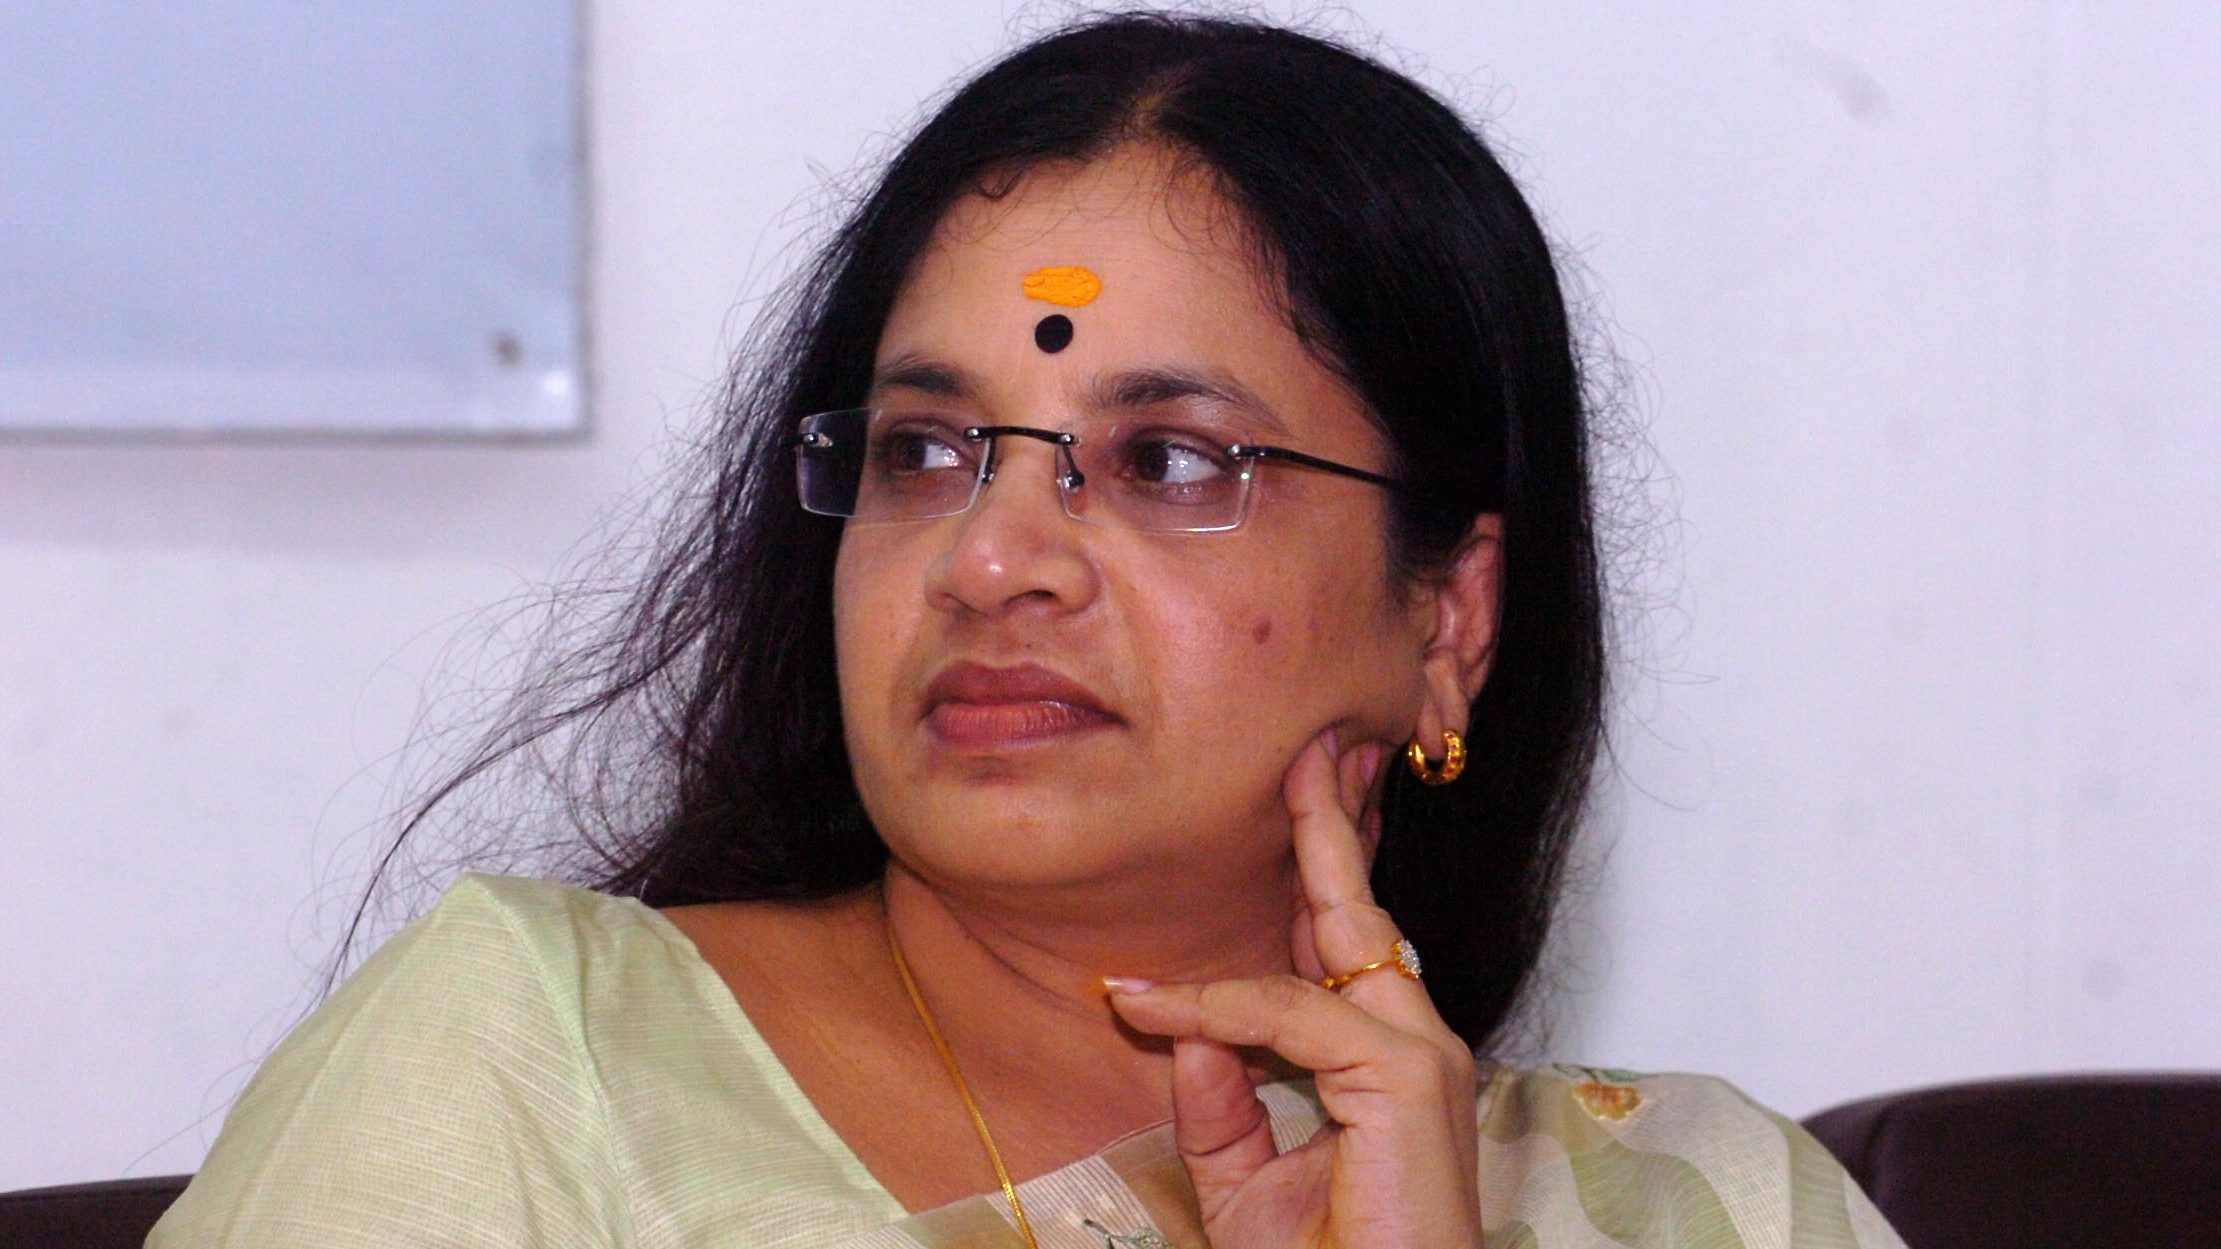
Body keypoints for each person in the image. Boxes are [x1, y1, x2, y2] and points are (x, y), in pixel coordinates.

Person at [148, 13, 1903, 1249]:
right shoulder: (540, 1062)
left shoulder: (1712, 1203)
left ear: (1448, 615)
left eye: (1166, 460)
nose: (992, 558)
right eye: (921, 449)